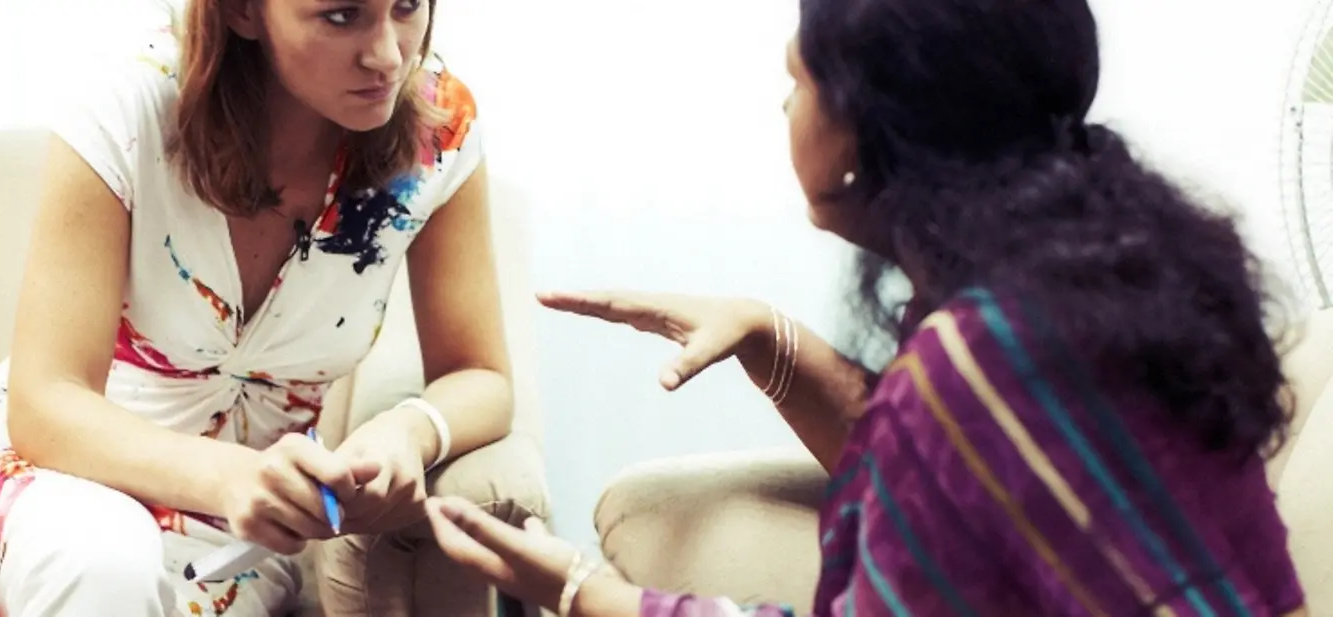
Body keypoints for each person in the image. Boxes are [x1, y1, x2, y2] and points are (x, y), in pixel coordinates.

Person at [421, 0, 1312, 614]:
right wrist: (772, 340)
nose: (783, 103)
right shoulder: (1107, 284)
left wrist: (583, 590)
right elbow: (972, 483)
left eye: (799, 79)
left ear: (869, 124)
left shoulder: (981, 357)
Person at [0, 0, 514, 615]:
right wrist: (231, 476)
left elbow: (482, 377)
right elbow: (45, 402)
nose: (387, 54)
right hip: (37, 490)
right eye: (341, 15)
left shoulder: (436, 127)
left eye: (407, 7)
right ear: (243, 13)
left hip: (230, 547)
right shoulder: (130, 100)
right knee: (102, 560)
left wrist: (408, 430)